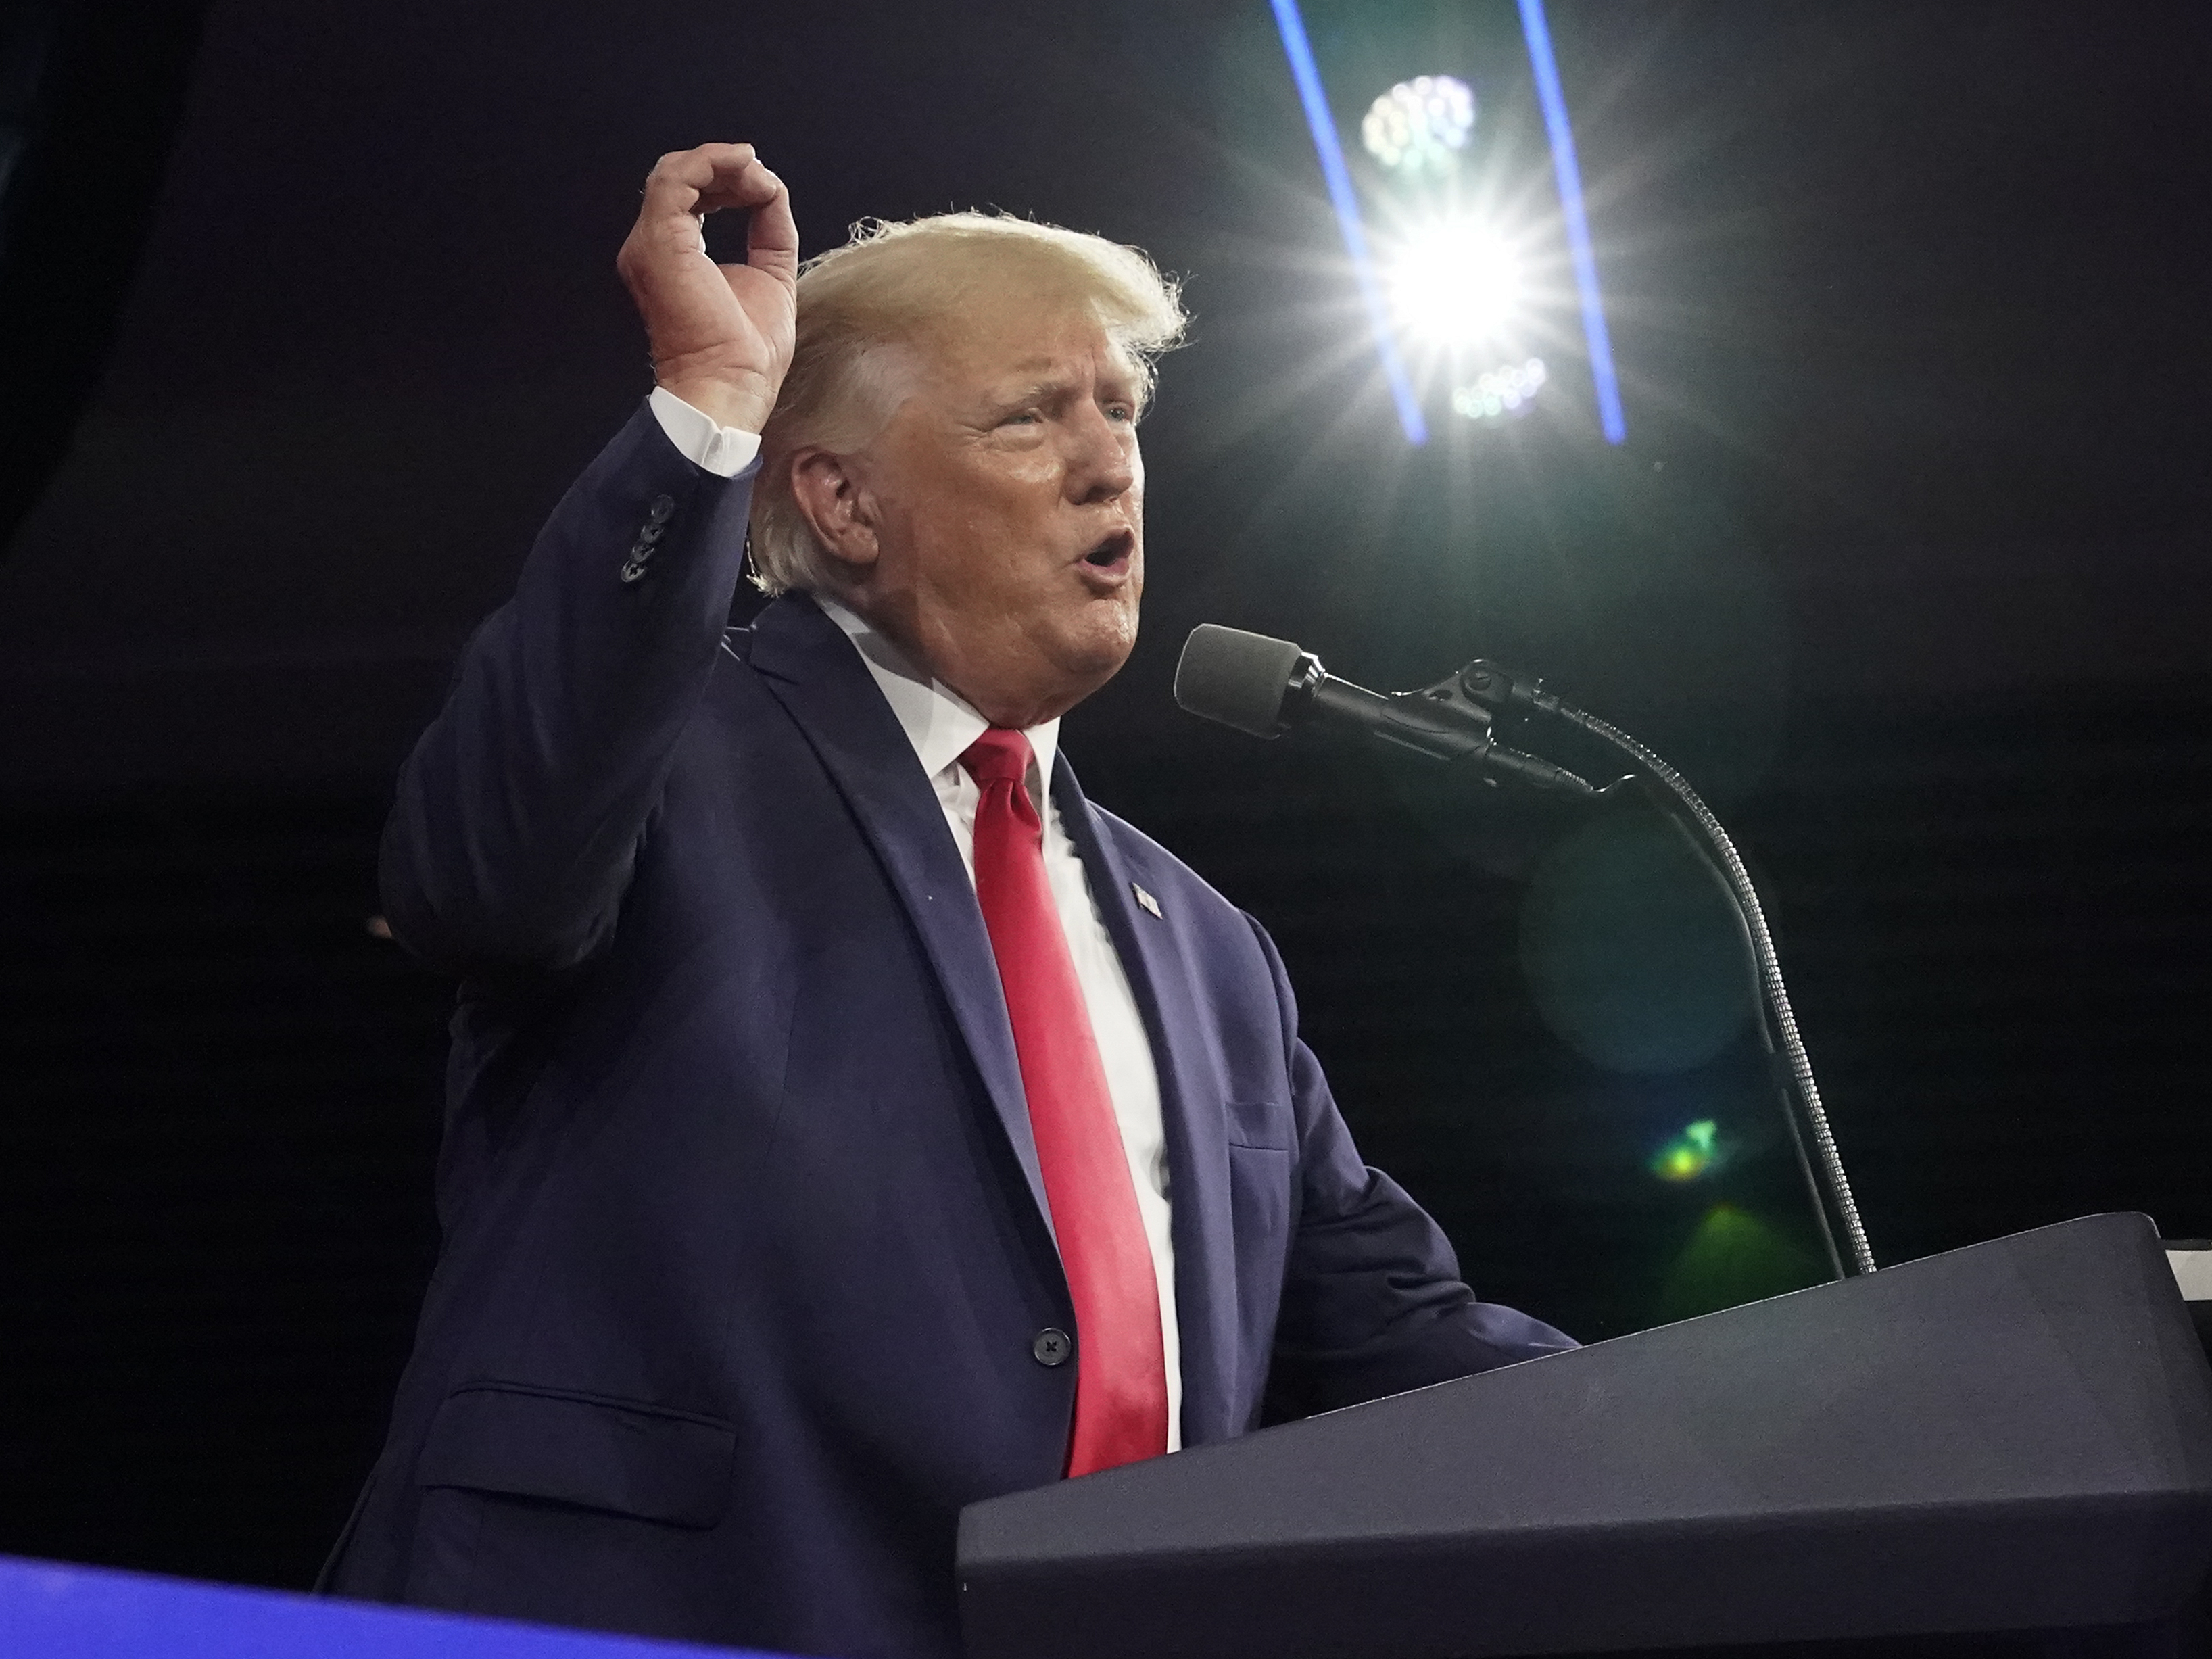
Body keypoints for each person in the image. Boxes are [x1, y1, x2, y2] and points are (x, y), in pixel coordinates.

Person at [320, 142, 1572, 1659]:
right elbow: (474, 875)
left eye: (1116, 409)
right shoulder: (666, 759)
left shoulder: (1215, 953)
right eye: (1029, 418)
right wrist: (712, 402)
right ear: (841, 502)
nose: (1107, 461)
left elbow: (1402, 1338)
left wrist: (1770, 1418)